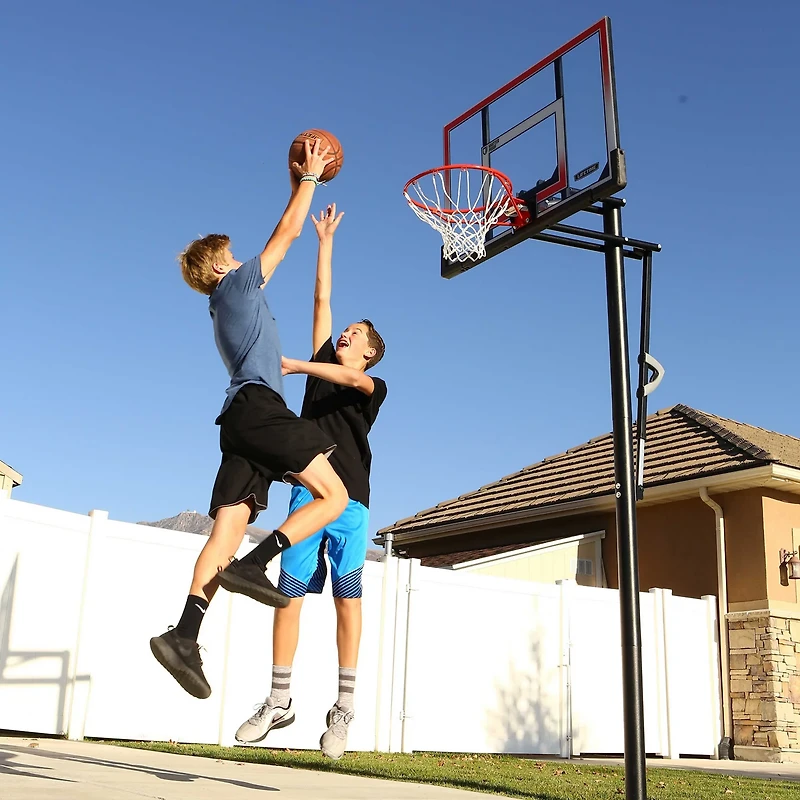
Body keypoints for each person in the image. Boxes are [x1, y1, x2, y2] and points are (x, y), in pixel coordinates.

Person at [150, 140, 350, 701]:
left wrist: (298, 185)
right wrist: (310, 178)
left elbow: (286, 224)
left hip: (237, 420)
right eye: (232, 256)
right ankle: (257, 564)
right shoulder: (236, 286)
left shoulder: (223, 303)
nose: (241, 261)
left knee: (226, 529)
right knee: (334, 496)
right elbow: (284, 238)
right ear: (219, 266)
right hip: (260, 408)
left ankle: (184, 636)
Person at [234, 204, 387, 759]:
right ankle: (279, 700)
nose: (346, 333)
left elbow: (346, 376)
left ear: (370, 352)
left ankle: (343, 709)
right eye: (345, 331)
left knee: (348, 602)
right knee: (288, 596)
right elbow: (321, 297)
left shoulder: (372, 383)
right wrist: (324, 240)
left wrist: (297, 364)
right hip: (307, 496)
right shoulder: (329, 355)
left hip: (349, 506)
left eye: (356, 334)